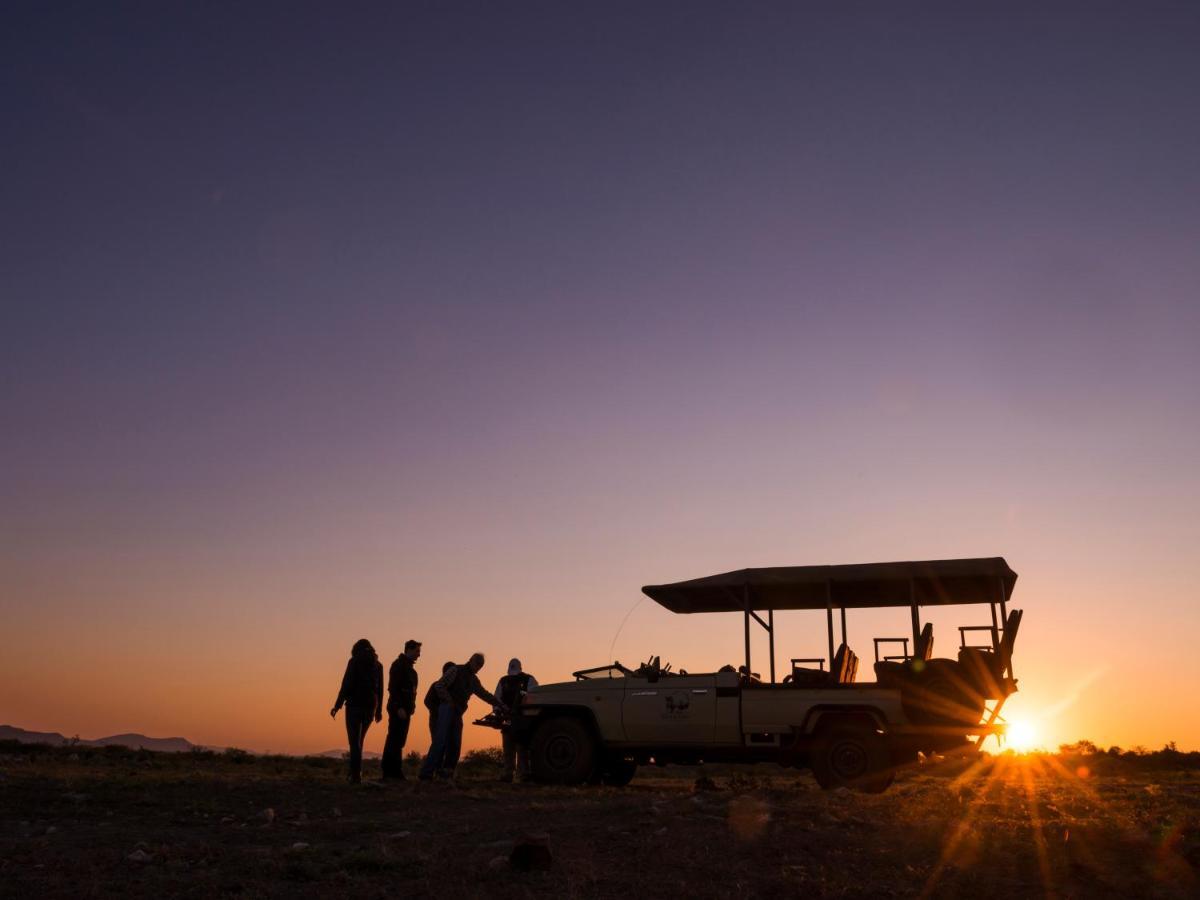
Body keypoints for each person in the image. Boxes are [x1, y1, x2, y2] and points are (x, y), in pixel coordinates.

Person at [418, 652, 505, 781]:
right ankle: (426, 773)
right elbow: (439, 685)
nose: (478, 667)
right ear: (471, 660)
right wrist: (448, 701)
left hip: (457, 712)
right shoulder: (455, 670)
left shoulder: (474, 680)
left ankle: (447, 772)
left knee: (455, 743)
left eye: (481, 665)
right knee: (440, 741)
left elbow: (484, 694)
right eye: (477, 663)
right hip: (447, 709)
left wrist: (500, 704)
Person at [330, 638, 383, 783]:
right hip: (371, 706)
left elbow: (346, 683)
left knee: (354, 742)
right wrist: (378, 711)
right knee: (360, 741)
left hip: (354, 705)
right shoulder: (378, 665)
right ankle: (355, 772)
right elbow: (380, 690)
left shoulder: (354, 662)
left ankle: (355, 775)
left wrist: (337, 705)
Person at [380, 639, 422, 780]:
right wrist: (398, 707)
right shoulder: (398, 666)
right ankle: (390, 772)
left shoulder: (411, 671)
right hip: (398, 709)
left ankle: (394, 772)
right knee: (394, 739)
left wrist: (412, 706)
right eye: (417, 651)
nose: (419, 655)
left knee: (399, 741)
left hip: (406, 710)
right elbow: (393, 688)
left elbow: (413, 691)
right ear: (408, 650)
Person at [494, 658, 537, 782]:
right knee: (520, 747)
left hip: (515, 719)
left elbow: (496, 699)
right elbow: (535, 696)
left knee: (512, 747)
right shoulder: (529, 679)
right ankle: (522, 774)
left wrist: (499, 711)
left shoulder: (504, 681)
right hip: (520, 720)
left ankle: (512, 773)